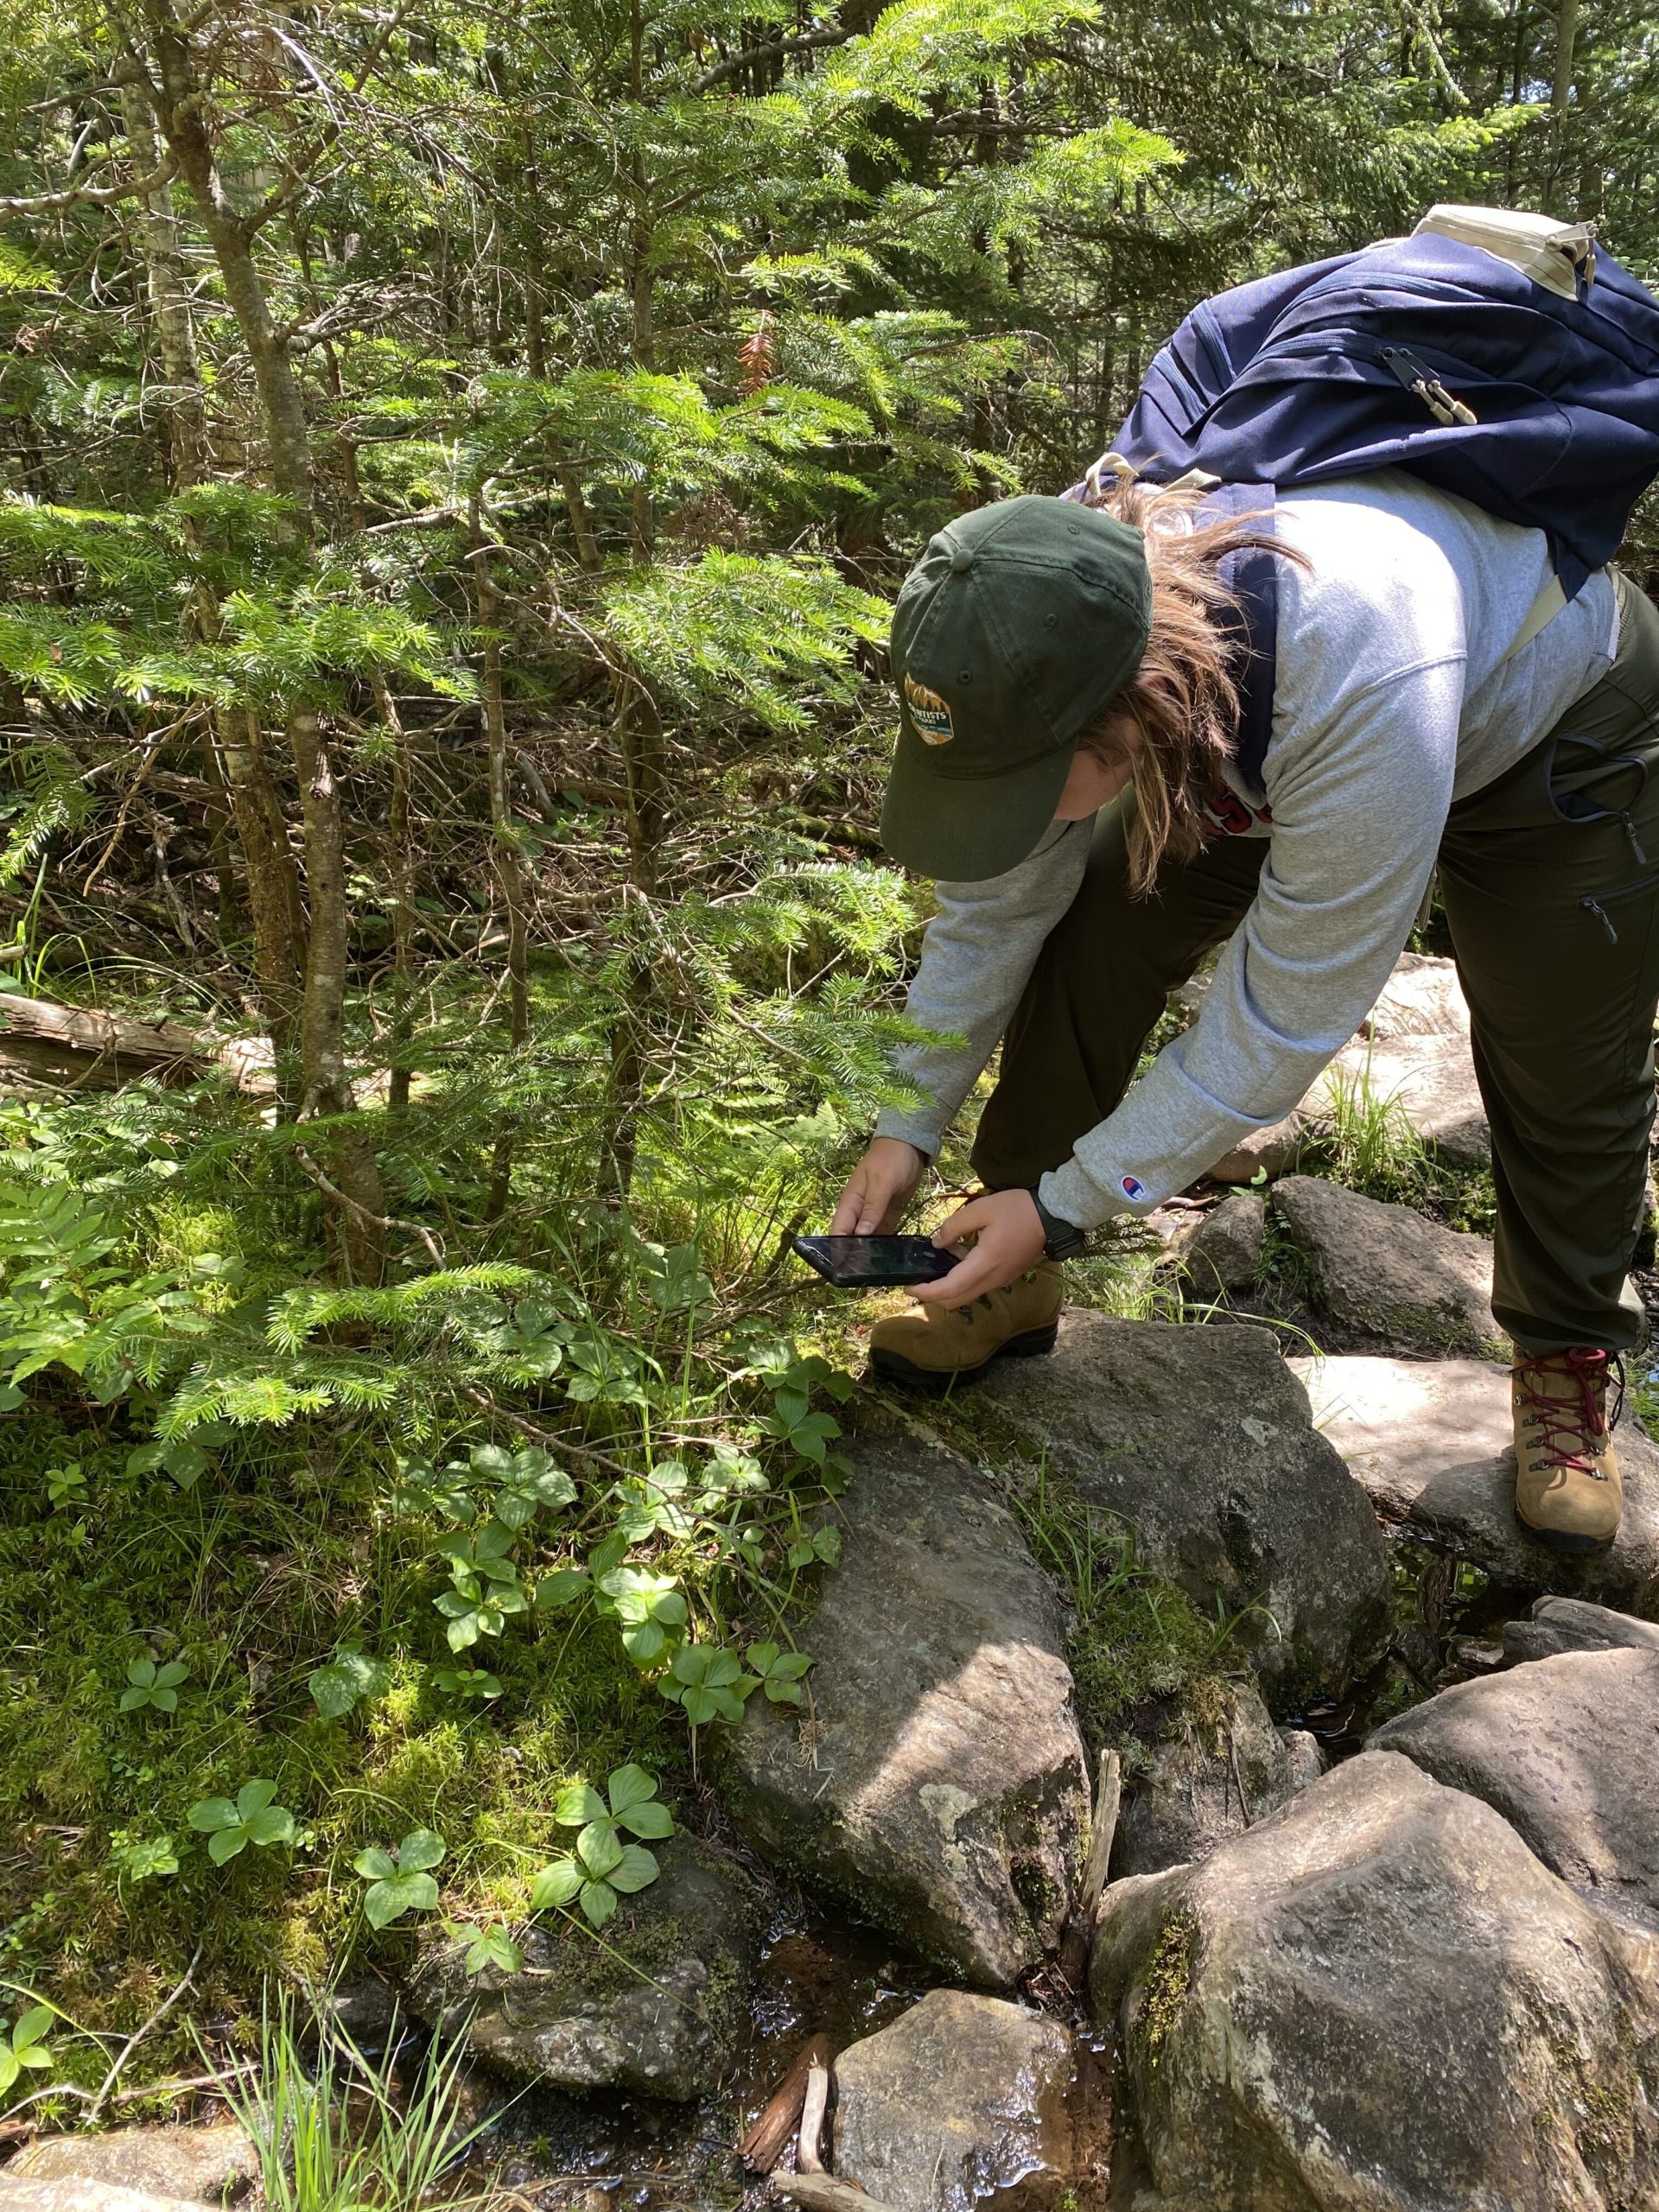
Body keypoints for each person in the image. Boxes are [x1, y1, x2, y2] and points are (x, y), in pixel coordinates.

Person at [830, 471, 1659, 1554]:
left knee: (1563, 1060)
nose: (1007, 813)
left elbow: (1281, 1020)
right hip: (1250, 732)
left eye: (1024, 786)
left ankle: (1567, 1364)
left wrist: (1083, 1194)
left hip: (1549, 726)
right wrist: (907, 1120)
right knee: (1096, 929)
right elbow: (996, 911)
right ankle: (1010, 1254)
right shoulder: (1040, 616)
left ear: (1125, 715)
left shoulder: (1361, 668)